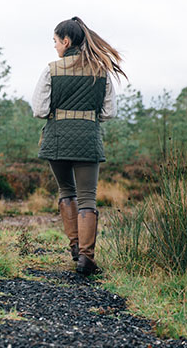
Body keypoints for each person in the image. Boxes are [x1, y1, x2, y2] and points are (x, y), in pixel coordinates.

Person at [31, 16, 126, 275]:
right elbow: (109, 112)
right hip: (87, 140)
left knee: (66, 191)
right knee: (87, 198)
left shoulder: (52, 69)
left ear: (66, 40)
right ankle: (86, 258)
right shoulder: (101, 70)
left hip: (57, 139)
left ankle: (75, 248)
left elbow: (39, 110)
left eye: (55, 41)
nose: (54, 47)